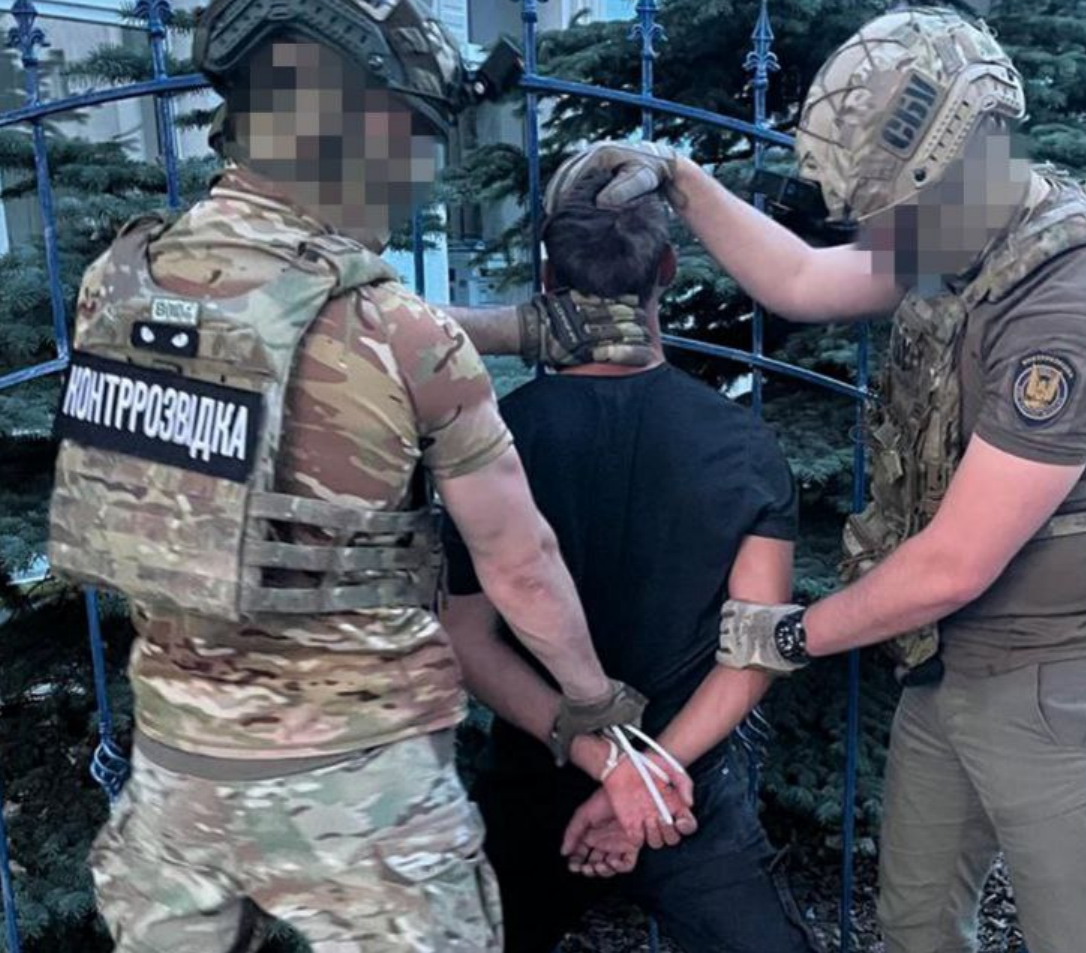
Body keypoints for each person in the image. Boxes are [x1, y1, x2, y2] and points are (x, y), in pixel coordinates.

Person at [549, 7, 1086, 953]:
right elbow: (805, 280)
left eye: (894, 208)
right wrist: (681, 180)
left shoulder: (1075, 302)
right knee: (916, 927)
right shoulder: (967, 232)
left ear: (963, 160)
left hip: (1056, 684)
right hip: (952, 667)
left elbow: (954, 563)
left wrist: (788, 633)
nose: (880, 232)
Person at [44, 2, 682, 949]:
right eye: (418, 139)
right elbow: (520, 564)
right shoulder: (404, 335)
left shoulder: (122, 278)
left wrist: (512, 329)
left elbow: (277, 311)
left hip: (178, 773)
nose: (421, 176)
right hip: (361, 793)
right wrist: (594, 702)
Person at [439, 167, 821, 953]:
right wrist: (646, 776)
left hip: (538, 773)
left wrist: (606, 767)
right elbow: (757, 651)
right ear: (667, 270)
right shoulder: (742, 444)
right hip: (686, 787)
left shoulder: (497, 439)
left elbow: (467, 638)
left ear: (548, 278)